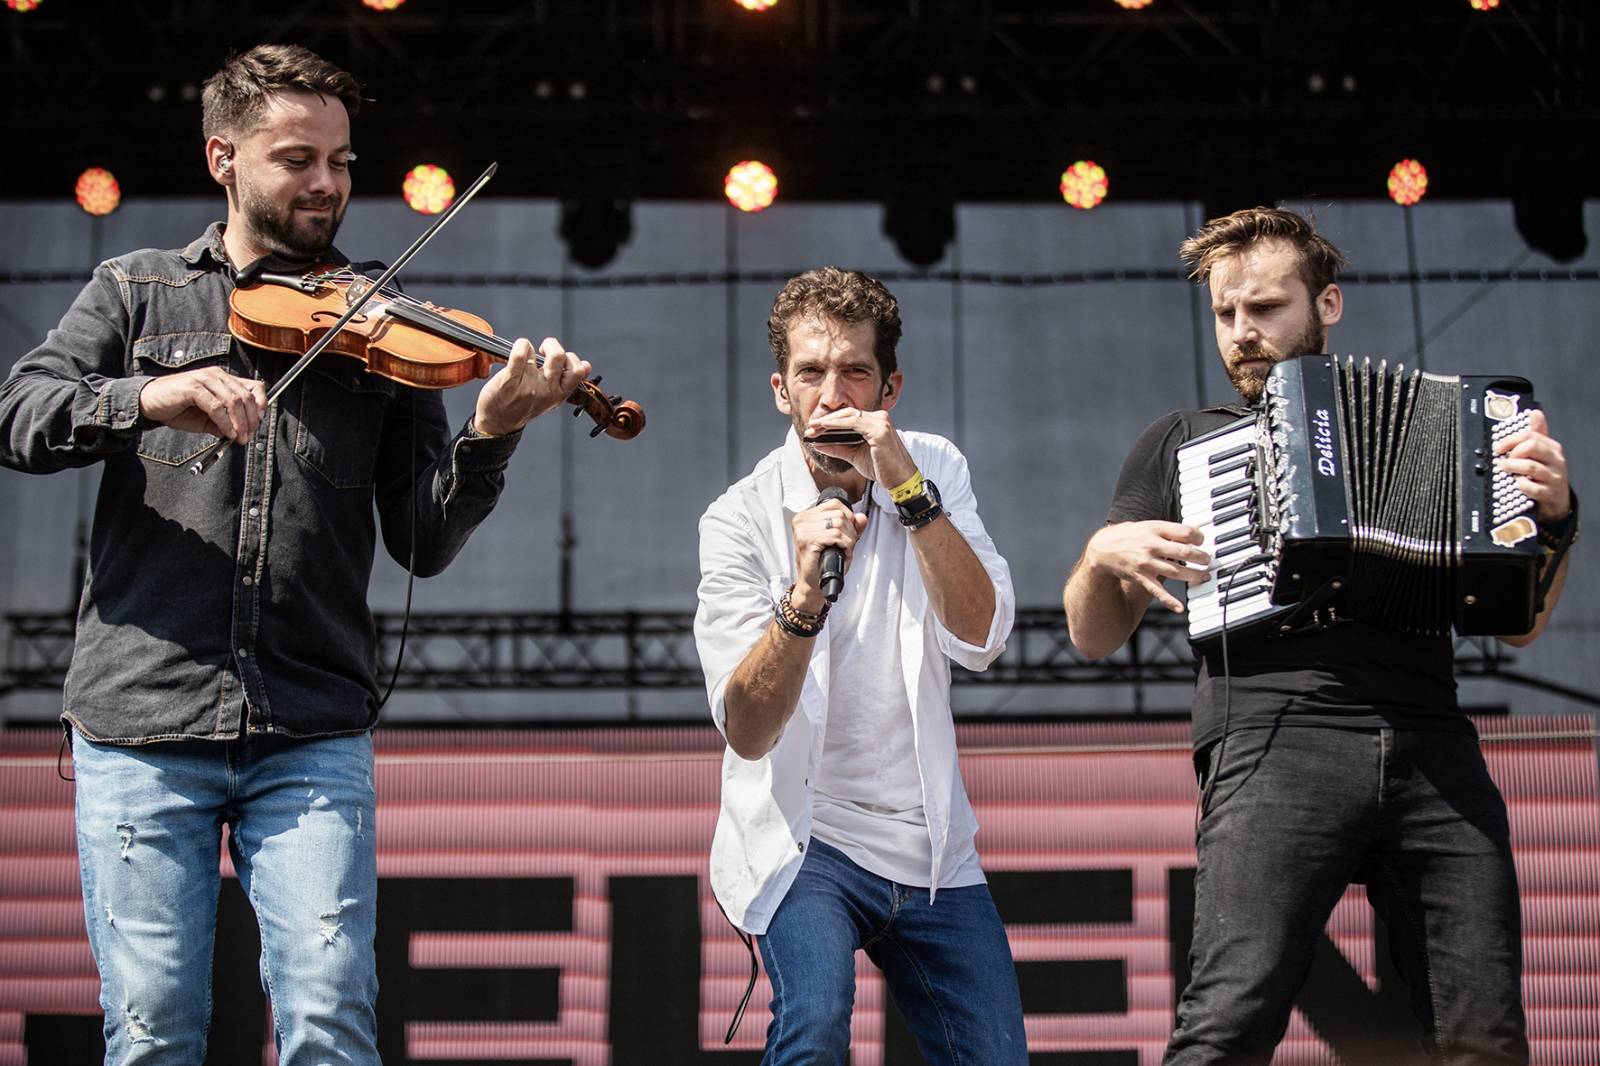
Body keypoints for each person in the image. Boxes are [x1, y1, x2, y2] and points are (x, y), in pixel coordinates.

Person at [0, 44, 592, 1064]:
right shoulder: (136, 292)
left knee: (330, 1019)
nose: (326, 184)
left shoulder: (381, 322)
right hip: (142, 717)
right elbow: (18, 414)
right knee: (151, 1032)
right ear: (222, 156)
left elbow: (423, 540)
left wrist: (493, 435)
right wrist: (147, 395)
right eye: (297, 159)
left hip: (308, 721)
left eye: (343, 161)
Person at [1062, 206, 1575, 1065]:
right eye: (1226, 314)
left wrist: (1555, 519)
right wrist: (1100, 556)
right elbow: (1090, 636)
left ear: (1326, 305)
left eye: (1264, 309)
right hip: (1274, 743)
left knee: (1485, 1036)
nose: (1241, 334)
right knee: (1227, 1023)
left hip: (1433, 745)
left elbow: (1518, 629)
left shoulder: (1450, 436)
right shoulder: (1184, 443)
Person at [694, 267, 1028, 1064]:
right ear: (781, 389)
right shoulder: (739, 518)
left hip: (932, 847)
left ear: (889, 387)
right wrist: (804, 596)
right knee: (814, 1028)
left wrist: (907, 490)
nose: (832, 394)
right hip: (807, 843)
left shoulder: (933, 466)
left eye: (854, 372)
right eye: (812, 373)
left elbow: (982, 636)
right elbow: (746, 729)